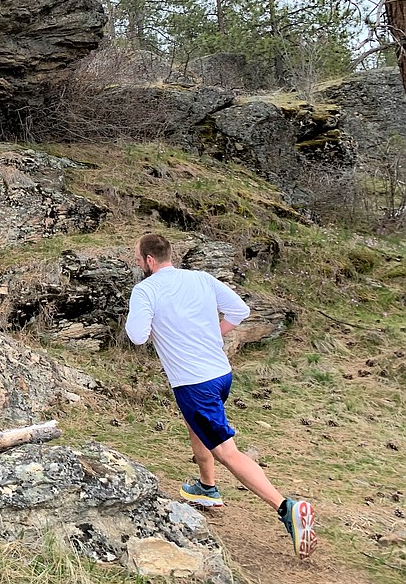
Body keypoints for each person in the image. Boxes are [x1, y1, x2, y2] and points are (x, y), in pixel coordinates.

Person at [124, 232, 317, 560]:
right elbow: (239, 310)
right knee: (195, 424)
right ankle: (207, 487)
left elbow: (137, 336)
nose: (138, 262)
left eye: (138, 258)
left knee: (228, 451)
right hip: (220, 374)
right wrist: (214, 333)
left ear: (149, 260)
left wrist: (158, 325)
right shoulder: (200, 278)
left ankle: (286, 508)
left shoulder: (145, 290)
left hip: (193, 383)